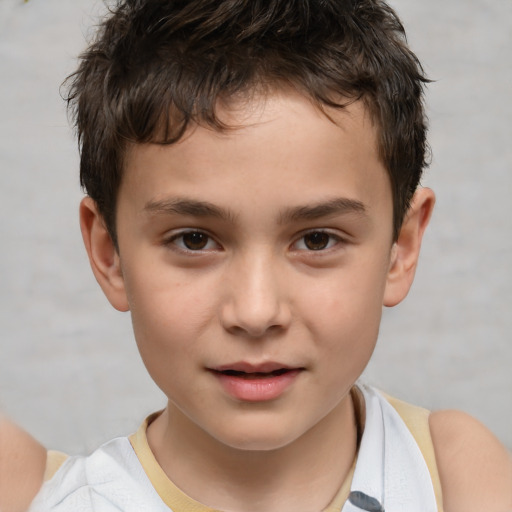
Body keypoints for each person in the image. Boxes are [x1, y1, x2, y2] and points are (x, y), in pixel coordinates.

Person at [1, 0, 511, 511]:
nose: (255, 311)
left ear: (401, 249)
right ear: (109, 254)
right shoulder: (33, 493)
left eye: (317, 240)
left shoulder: (451, 473)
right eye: (194, 240)